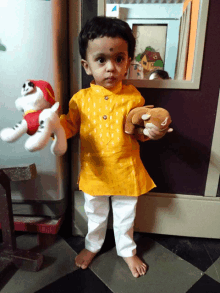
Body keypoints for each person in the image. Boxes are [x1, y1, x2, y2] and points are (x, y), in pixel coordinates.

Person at [60, 16, 171, 278]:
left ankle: (126, 250)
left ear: (128, 63)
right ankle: (92, 245)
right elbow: (69, 126)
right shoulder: (80, 100)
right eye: (101, 60)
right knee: (95, 216)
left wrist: (152, 133)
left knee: (125, 217)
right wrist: (52, 130)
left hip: (125, 171)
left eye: (118, 59)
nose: (110, 68)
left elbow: (139, 131)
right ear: (87, 66)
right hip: (95, 174)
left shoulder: (134, 97)